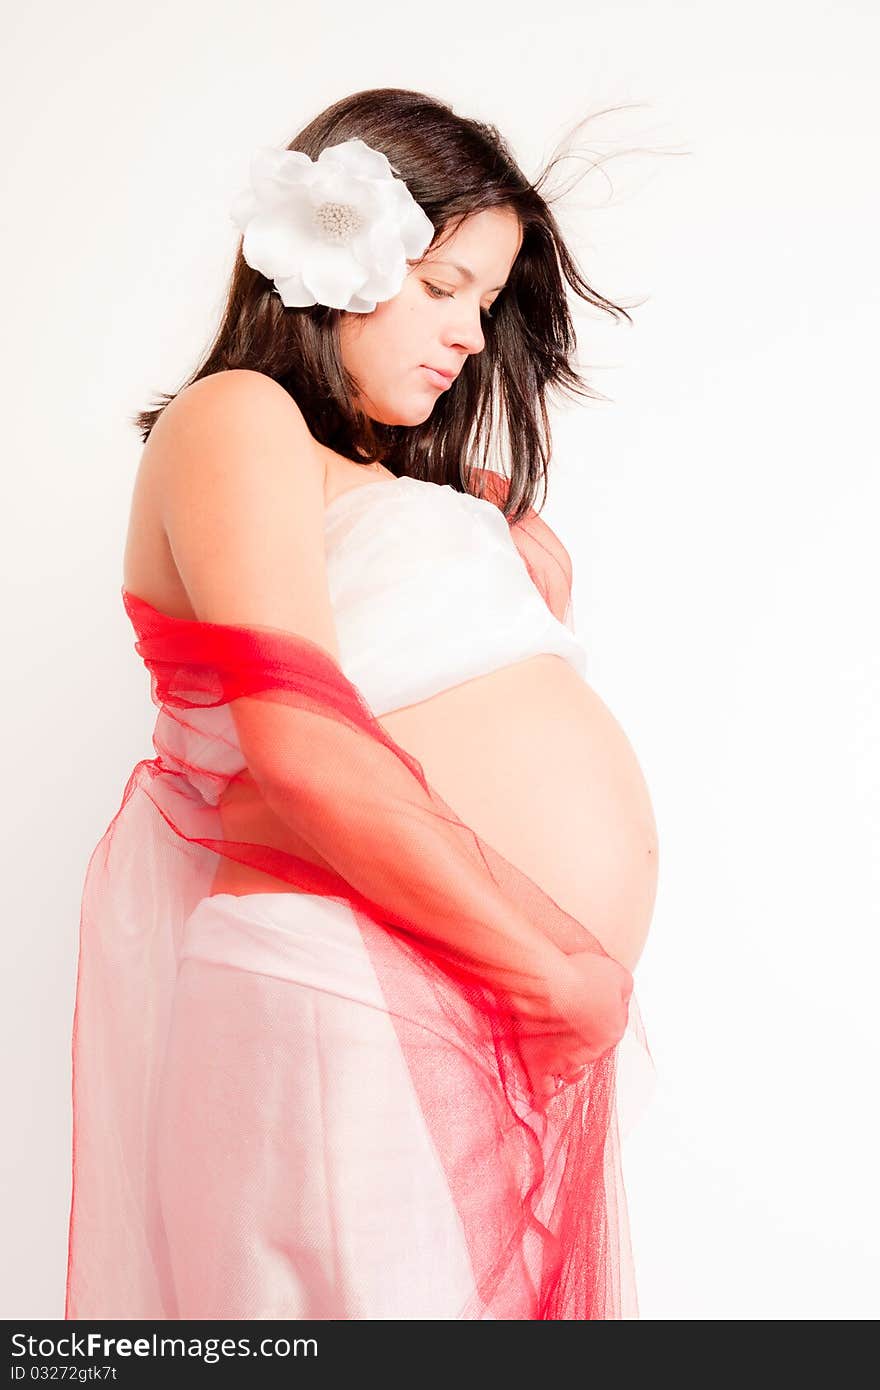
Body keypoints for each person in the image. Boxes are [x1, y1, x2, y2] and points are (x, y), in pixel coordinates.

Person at [65, 87, 658, 1321]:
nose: (465, 337)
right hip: (343, 983)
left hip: (439, 999)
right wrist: (545, 968)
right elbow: (301, 749)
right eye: (442, 288)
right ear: (331, 254)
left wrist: (476, 525)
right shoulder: (239, 415)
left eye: (485, 308)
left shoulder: (374, 476)